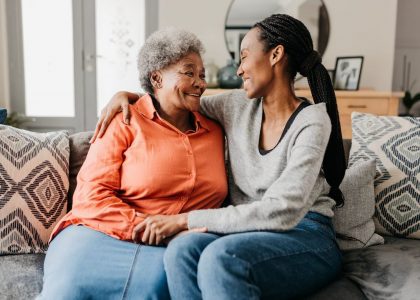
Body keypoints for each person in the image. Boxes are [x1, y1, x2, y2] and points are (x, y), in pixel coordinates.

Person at [94, 14, 347, 300]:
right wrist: (126, 95)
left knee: (222, 258)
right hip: (247, 232)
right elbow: (177, 98)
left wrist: (183, 220)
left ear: (276, 55)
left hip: (306, 233)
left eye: (244, 56)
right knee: (181, 250)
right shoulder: (236, 106)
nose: (239, 70)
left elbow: (284, 210)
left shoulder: (312, 121)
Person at [38, 28, 228, 300]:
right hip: (99, 233)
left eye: (202, 75)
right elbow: (91, 197)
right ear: (157, 77)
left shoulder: (216, 129)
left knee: (159, 284)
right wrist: (151, 227)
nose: (200, 83)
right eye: (189, 72)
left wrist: (174, 230)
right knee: (70, 289)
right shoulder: (124, 120)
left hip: (176, 245)